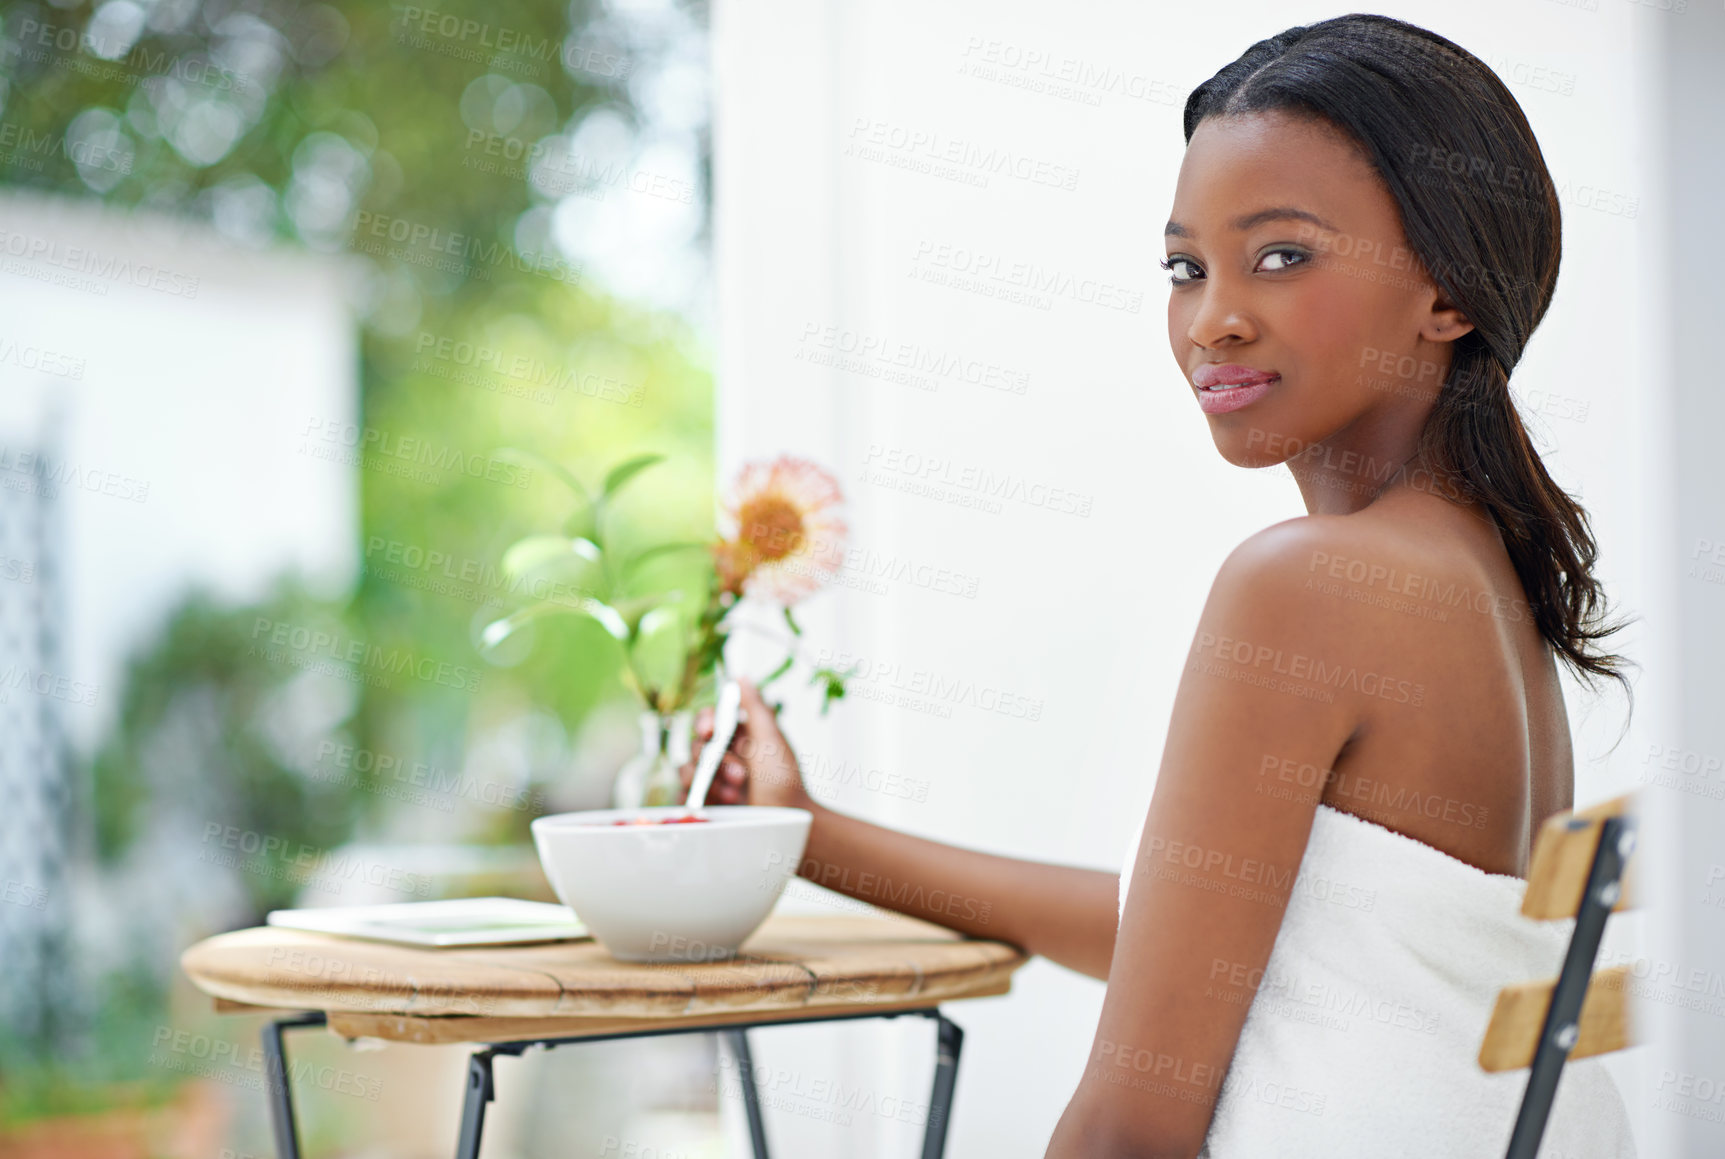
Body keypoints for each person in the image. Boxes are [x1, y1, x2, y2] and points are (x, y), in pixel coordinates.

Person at [684, 14, 1636, 1158]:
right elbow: (1194, 938)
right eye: (1186, 268)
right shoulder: (1487, 578)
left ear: (1449, 294)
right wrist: (813, 833)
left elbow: (1133, 1118)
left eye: (1282, 255)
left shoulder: (1314, 584)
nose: (1213, 319)